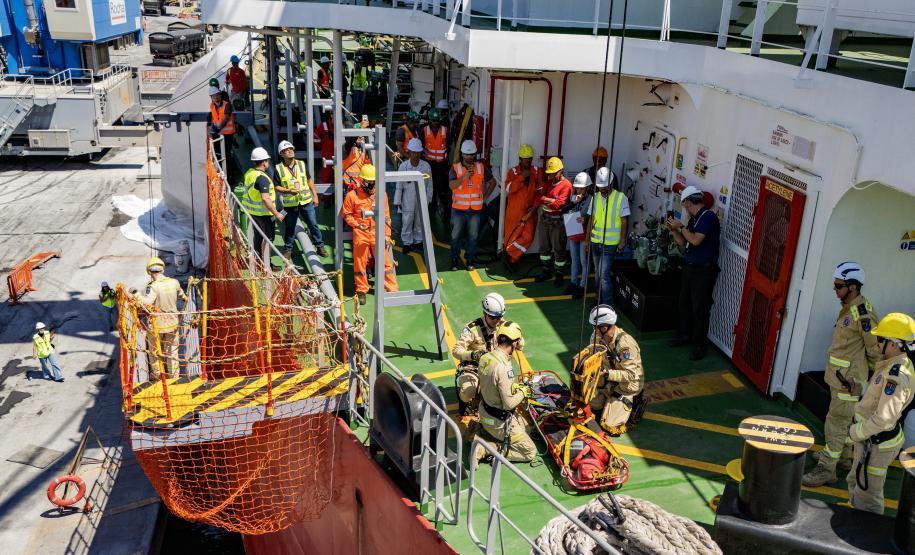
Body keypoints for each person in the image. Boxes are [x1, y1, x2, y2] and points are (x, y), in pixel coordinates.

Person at [802, 262, 880, 487]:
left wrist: (870, 382)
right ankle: (844, 456)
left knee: (836, 422)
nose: (835, 290)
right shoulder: (849, 308)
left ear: (853, 287)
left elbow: (874, 348)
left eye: (839, 286)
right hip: (840, 378)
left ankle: (827, 468)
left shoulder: (862, 313)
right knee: (842, 420)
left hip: (849, 381)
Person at [845, 312, 915, 514]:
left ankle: (864, 534)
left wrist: (855, 433)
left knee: (868, 495)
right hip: (870, 439)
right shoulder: (893, 365)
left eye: (880, 339)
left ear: (894, 344)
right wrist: (857, 388)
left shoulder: (897, 377)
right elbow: (876, 395)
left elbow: (884, 419)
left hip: (876, 443)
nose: (876, 344)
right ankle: (853, 514)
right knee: (856, 480)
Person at [666, 185, 720, 360]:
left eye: (685, 204)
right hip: (690, 267)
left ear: (689, 202)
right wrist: (674, 231)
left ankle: (700, 344)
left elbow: (695, 240)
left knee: (699, 308)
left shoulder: (708, 217)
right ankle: (685, 335)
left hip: (703, 271)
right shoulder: (693, 220)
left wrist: (681, 227)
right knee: (684, 303)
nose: (685, 208)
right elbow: (684, 243)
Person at [474, 321, 536, 466]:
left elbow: (489, 384)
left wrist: (511, 387)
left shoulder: (486, 357)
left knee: (527, 427)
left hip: (485, 414)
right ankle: (487, 448)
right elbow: (508, 404)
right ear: (514, 344)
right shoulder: (504, 368)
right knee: (529, 451)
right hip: (498, 422)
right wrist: (523, 391)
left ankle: (481, 432)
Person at [584, 305, 646, 436]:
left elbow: (630, 375)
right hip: (607, 379)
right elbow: (592, 356)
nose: (594, 330)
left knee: (610, 425)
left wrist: (606, 374)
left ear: (604, 328)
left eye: (595, 327)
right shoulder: (596, 338)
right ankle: (608, 398)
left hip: (627, 384)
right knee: (591, 407)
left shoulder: (626, 345)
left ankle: (635, 402)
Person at [342, 164, 398, 305]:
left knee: (385, 262)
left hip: (377, 231)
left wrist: (387, 235)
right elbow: (347, 214)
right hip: (361, 233)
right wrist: (356, 224)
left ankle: (392, 290)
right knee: (360, 262)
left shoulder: (381, 194)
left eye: (374, 181)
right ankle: (361, 290)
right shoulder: (352, 196)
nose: (372, 185)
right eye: (369, 182)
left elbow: (386, 216)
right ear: (362, 181)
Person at [452, 293, 514, 418]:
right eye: (493, 318)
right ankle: (464, 405)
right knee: (468, 391)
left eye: (499, 317)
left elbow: (519, 341)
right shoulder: (472, 329)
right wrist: (472, 354)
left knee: (506, 392)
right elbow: (456, 351)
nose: (497, 321)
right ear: (485, 313)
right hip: (474, 368)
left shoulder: (503, 326)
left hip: (495, 368)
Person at [134, 257, 188, 379]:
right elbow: (182, 296)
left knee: (155, 351)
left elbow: (147, 302)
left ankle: (158, 377)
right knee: (172, 351)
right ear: (162, 269)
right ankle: (174, 377)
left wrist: (136, 294)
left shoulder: (153, 287)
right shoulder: (174, 282)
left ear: (149, 272)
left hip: (156, 325)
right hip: (173, 323)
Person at [448, 140, 495, 271]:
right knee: (455, 236)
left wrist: (484, 197)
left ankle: (470, 260)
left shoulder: (481, 168)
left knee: (473, 236)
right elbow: (451, 186)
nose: (469, 157)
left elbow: (492, 182)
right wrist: (463, 177)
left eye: (472, 154)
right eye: (467, 155)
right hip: (458, 210)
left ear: (475, 154)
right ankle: (454, 259)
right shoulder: (456, 168)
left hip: (475, 210)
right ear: (462, 155)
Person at [274, 141, 326, 258]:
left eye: (291, 148)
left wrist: (315, 196)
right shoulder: (279, 168)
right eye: (287, 150)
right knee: (290, 227)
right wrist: (288, 191)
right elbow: (276, 186)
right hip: (291, 204)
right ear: (281, 154)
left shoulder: (302, 164)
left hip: (306, 201)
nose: (290, 151)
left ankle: (320, 246)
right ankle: (288, 249)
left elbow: (309, 181)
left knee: (313, 224)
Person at [502, 144, 542, 270]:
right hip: (514, 212)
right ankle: (513, 261)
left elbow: (540, 192)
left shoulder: (537, 171)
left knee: (528, 237)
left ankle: (508, 253)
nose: (529, 161)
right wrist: (521, 178)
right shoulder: (512, 172)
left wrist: (534, 208)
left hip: (530, 212)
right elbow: (509, 189)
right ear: (520, 159)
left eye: (530, 158)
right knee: (511, 237)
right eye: (526, 159)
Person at [242, 148, 285, 263]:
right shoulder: (262, 178)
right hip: (264, 215)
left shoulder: (249, 173)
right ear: (264, 162)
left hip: (253, 213)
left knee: (258, 237)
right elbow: (265, 198)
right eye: (267, 161)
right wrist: (276, 213)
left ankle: (257, 260)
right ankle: (267, 265)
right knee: (268, 239)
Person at [535, 157, 572, 287]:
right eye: (550, 173)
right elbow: (539, 197)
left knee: (559, 249)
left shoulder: (566, 185)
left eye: (554, 172)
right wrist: (550, 200)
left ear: (561, 171)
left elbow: (559, 205)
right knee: (544, 248)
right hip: (545, 219)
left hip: (558, 223)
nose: (551, 175)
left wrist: (547, 200)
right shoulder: (549, 183)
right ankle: (546, 271)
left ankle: (559, 274)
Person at [395, 138, 433, 254]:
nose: (416, 155)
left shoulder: (426, 166)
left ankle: (418, 241)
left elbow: (430, 185)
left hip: (421, 198)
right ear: (409, 152)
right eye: (413, 152)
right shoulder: (403, 167)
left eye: (418, 152)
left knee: (419, 221)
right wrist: (398, 201)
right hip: (408, 199)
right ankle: (407, 243)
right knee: (407, 220)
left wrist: (427, 199)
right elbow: (399, 186)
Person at [421, 108, 451, 227]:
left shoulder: (445, 130)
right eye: (433, 120)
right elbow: (422, 144)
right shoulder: (424, 130)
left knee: (441, 184)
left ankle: (439, 203)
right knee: (429, 182)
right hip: (429, 162)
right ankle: (431, 201)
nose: (435, 123)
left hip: (441, 163)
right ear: (429, 120)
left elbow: (448, 144)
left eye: (437, 120)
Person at [565, 172, 592, 299]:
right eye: (577, 187)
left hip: (585, 233)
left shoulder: (591, 199)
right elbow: (570, 210)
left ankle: (583, 286)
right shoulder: (572, 198)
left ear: (587, 188)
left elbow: (585, 215)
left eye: (582, 188)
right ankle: (573, 282)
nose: (579, 190)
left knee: (584, 260)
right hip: (574, 231)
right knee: (574, 259)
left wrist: (583, 218)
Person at [207, 85, 237, 177]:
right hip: (218, 134)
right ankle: (220, 173)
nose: (216, 97)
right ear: (211, 97)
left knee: (227, 155)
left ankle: (230, 175)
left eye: (217, 95)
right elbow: (213, 118)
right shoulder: (212, 106)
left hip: (227, 135)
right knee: (218, 154)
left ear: (220, 95)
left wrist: (217, 128)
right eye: (213, 96)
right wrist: (210, 127)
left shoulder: (227, 105)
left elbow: (225, 119)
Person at [313, 110, 335, 189]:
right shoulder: (324, 126)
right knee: (327, 176)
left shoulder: (344, 126)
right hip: (327, 156)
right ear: (331, 115)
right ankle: (327, 199)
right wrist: (321, 146)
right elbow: (315, 138)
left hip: (341, 156)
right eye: (333, 113)